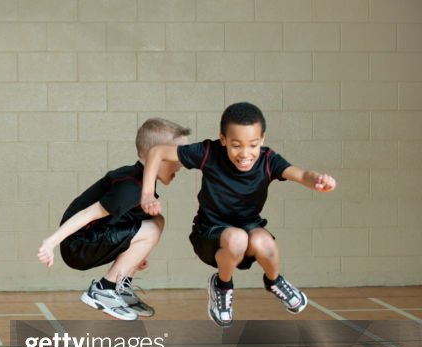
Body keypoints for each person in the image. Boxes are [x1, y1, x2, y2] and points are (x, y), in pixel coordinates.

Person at [140, 101, 336, 327]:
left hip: (248, 228)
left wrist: (318, 180)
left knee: (264, 242)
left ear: (262, 140)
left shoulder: (268, 159)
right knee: (237, 238)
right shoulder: (208, 152)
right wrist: (147, 195)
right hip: (210, 235)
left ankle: (274, 281)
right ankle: (222, 286)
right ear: (223, 139)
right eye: (236, 145)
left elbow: (302, 175)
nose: (245, 154)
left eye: (253, 145)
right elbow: (156, 152)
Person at [38, 118, 190, 320]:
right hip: (78, 244)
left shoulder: (142, 183)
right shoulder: (131, 187)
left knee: (156, 221)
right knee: (152, 228)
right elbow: (87, 214)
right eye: (179, 155)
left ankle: (121, 286)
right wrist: (50, 243)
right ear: (159, 156)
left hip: (93, 238)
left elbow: (129, 222)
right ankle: (103, 289)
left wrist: (135, 257)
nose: (184, 162)